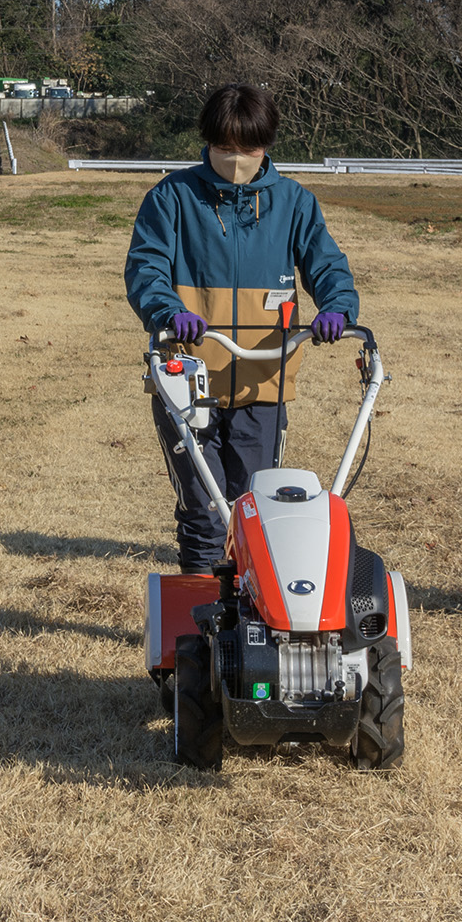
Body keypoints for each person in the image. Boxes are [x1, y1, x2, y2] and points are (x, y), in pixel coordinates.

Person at [124, 84, 360, 574]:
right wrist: (168, 311)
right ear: (207, 142)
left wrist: (337, 307)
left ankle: (252, 617)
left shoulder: (293, 203)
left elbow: (327, 266)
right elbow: (145, 269)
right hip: (187, 375)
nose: (236, 159)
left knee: (255, 506)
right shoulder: (172, 197)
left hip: (263, 377)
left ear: (267, 145)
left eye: (248, 149)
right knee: (205, 509)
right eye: (224, 148)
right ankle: (201, 617)